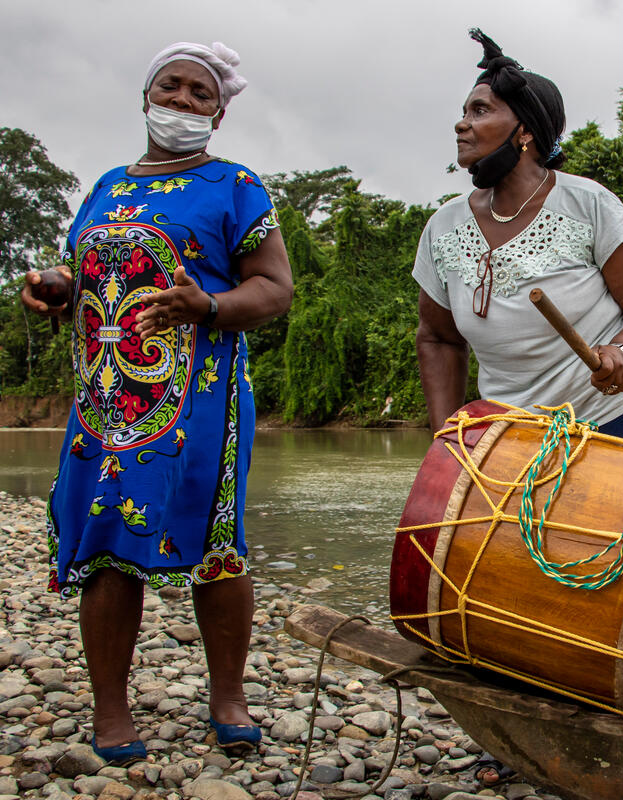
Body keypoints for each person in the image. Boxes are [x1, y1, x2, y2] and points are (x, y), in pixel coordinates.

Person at [20, 41, 293, 765]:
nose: (181, 101)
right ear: (146, 96)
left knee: (217, 542)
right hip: (105, 401)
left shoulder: (236, 186)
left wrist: (208, 302)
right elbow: (86, 272)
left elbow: (274, 289)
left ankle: (228, 695)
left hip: (198, 401)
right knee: (107, 542)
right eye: (169, 87)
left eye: (199, 94)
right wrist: (56, 286)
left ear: (220, 112)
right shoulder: (105, 186)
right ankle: (111, 710)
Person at [413, 29, 623, 443]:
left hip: (607, 415)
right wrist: (448, 441)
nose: (461, 123)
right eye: (464, 111)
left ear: (525, 132)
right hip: (506, 432)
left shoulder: (586, 204)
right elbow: (438, 338)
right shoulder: (443, 227)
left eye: (480, 111)